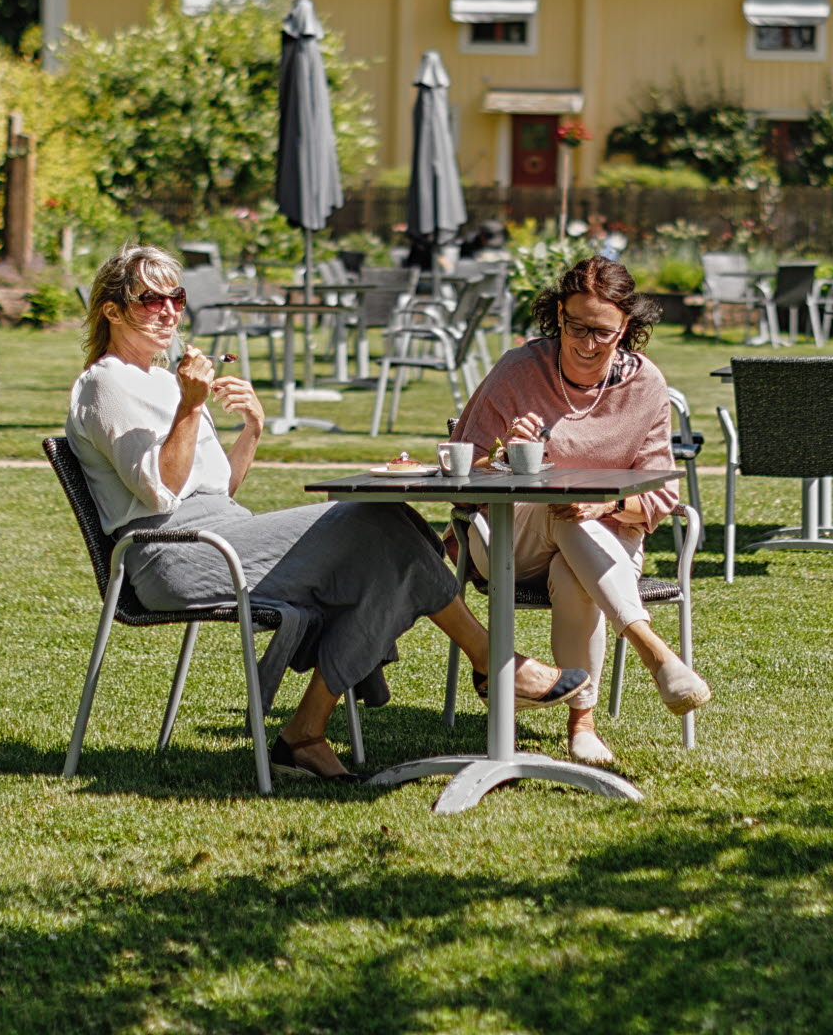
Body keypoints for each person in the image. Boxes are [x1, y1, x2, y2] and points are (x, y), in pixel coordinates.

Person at [68, 245, 586, 782]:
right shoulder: (105, 384)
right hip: (171, 556)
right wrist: (191, 407)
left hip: (222, 531)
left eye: (175, 298)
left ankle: (305, 735)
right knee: (374, 520)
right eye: (151, 300)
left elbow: (220, 486)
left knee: (394, 537)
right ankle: (495, 664)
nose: (170, 312)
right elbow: (158, 493)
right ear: (111, 310)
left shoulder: (159, 378)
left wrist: (252, 429)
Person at [449, 255, 711, 768]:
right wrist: (505, 458)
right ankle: (650, 646)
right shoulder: (519, 369)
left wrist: (610, 503)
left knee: (573, 567)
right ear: (558, 318)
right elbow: (459, 466)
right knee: (558, 503)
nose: (587, 344)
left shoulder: (645, 385)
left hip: (603, 543)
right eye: (576, 327)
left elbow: (661, 493)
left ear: (627, 328)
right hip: (508, 538)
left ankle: (581, 725)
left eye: (603, 332)